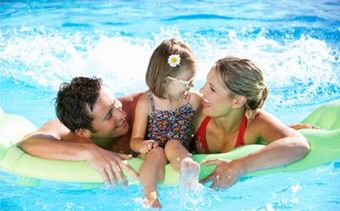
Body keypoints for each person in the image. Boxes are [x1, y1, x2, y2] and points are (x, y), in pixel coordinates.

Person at [192, 56, 310, 189]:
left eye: (212, 89)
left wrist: (238, 166)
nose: (202, 91)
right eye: (206, 84)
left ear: (237, 101)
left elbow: (299, 145)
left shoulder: (255, 123)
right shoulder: (195, 109)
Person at [18, 77, 141, 184]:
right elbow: (28, 143)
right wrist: (88, 151)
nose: (121, 114)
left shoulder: (138, 106)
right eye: (109, 115)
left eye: (116, 103)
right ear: (83, 132)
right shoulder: (69, 134)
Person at [130, 39, 202, 208]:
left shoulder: (192, 100)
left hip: (178, 150)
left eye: (193, 80)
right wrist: (142, 145)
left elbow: (206, 125)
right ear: (165, 81)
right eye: (187, 82)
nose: (191, 86)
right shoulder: (147, 102)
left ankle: (188, 175)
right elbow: (134, 140)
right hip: (152, 153)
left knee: (172, 144)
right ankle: (150, 195)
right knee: (158, 152)